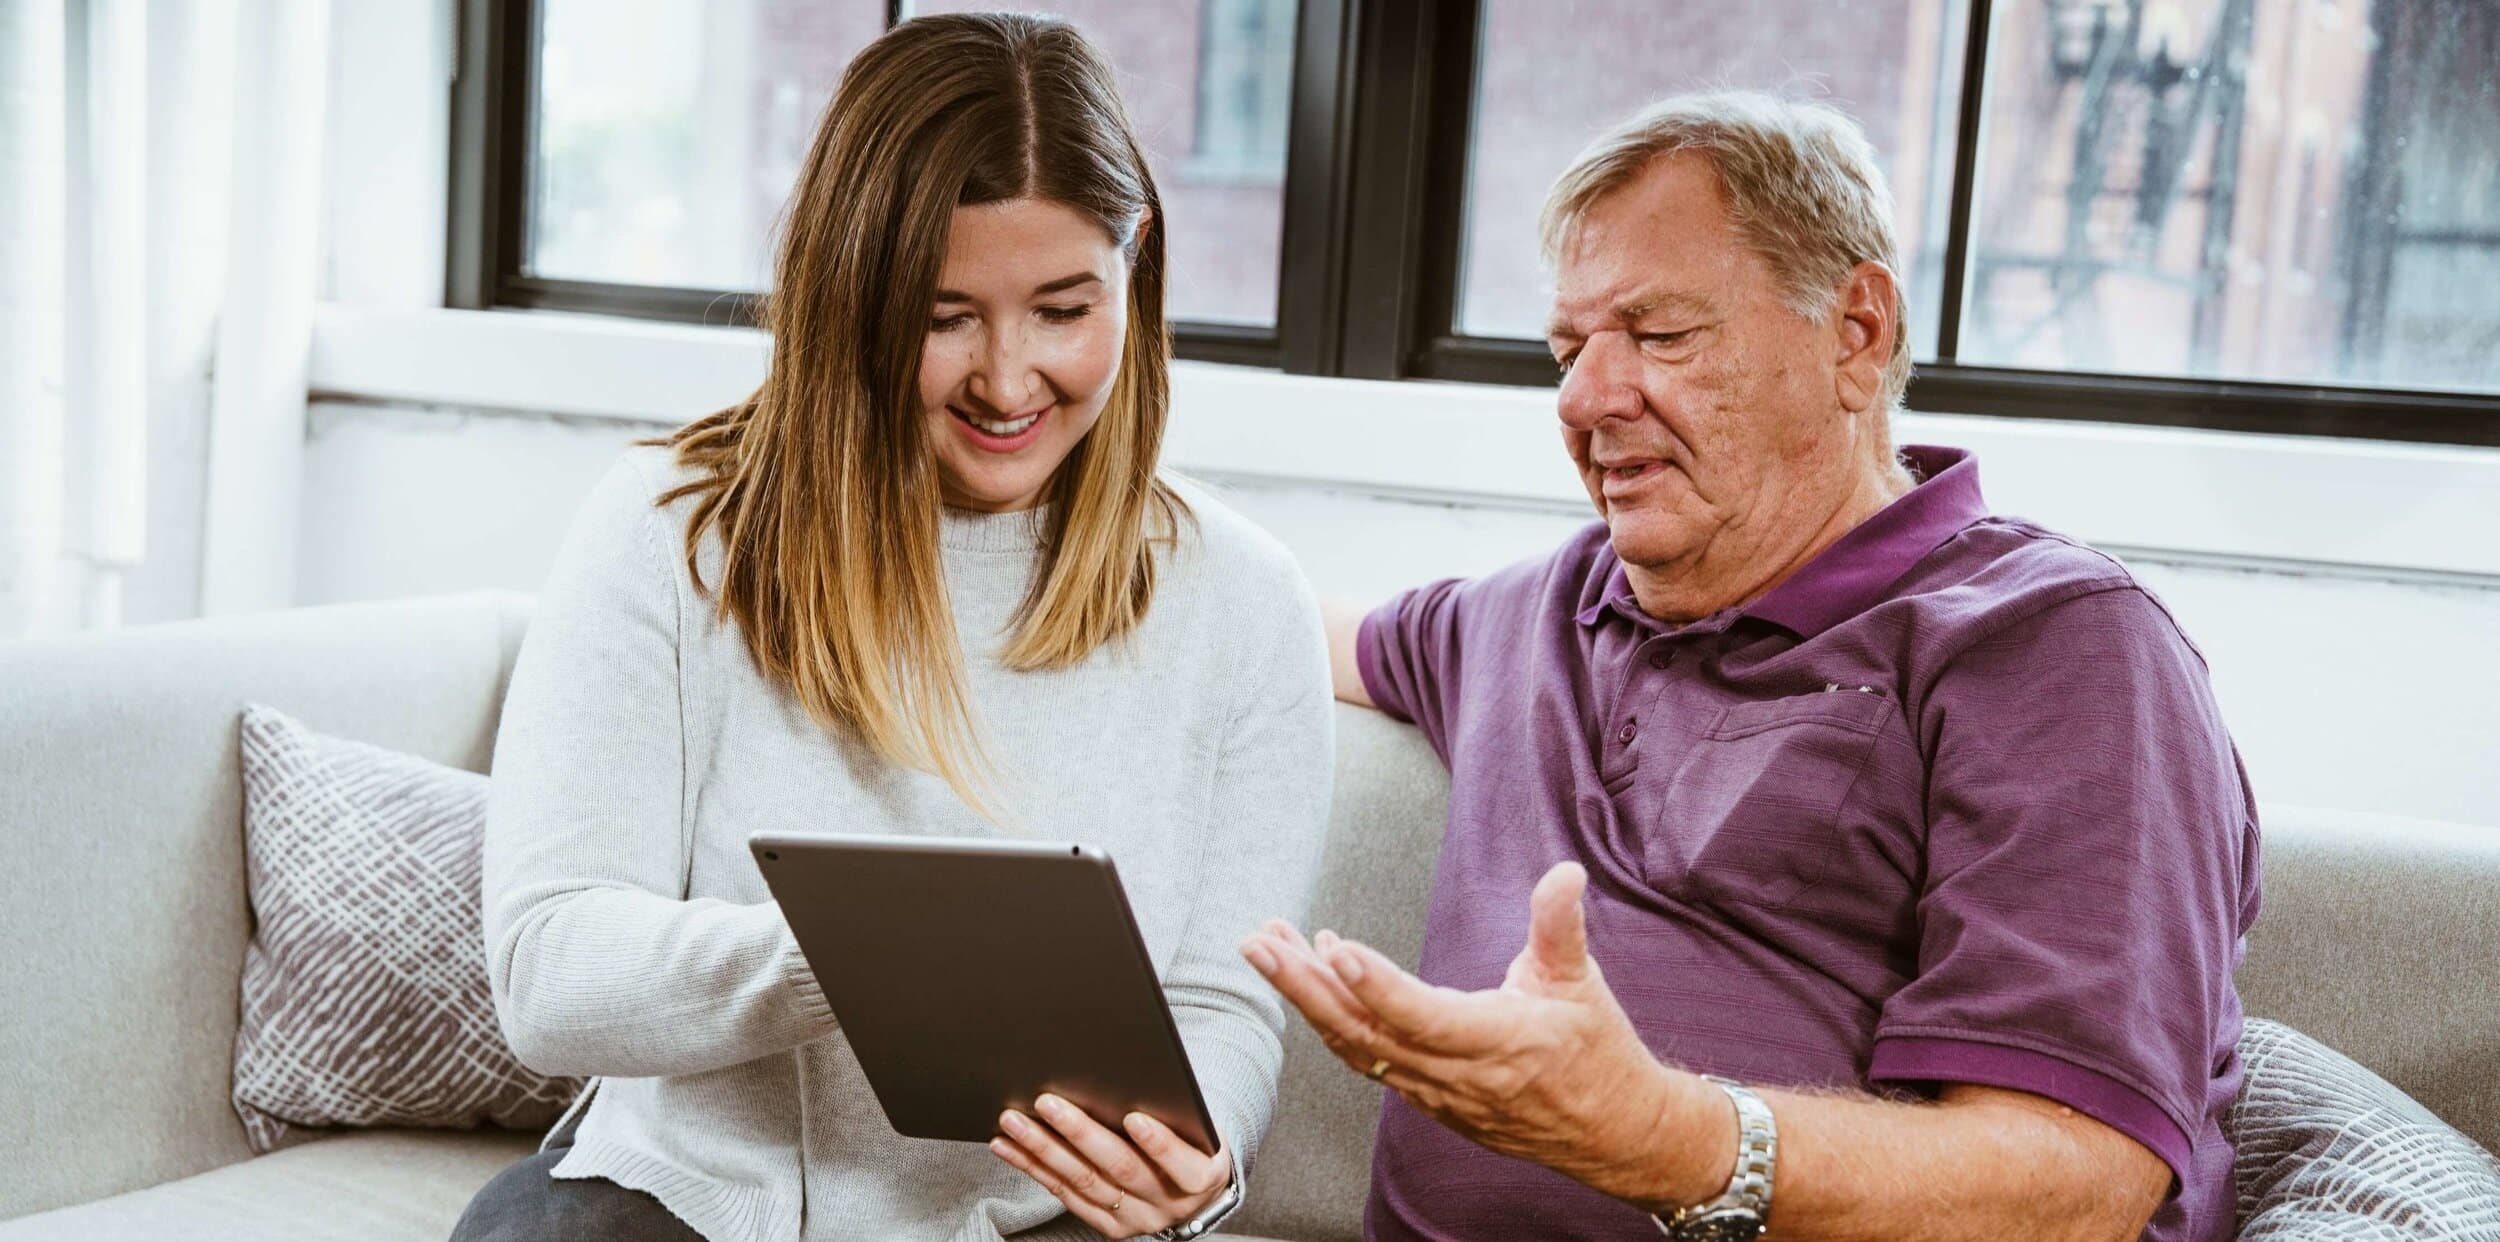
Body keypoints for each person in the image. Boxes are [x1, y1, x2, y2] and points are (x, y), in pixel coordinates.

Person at [1242, 91, 2258, 1242]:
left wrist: (1661, 1137)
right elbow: (1266, 616)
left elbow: (2076, 1184)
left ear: (1855, 334)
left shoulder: (2052, 642)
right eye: (1568, 351)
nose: (1581, 401)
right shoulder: (1528, 614)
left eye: (1661, 335)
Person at [454, 14, 1332, 1241]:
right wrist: (862, 954)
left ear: (1136, 265)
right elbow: (550, 973)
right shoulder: (671, 535)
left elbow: (1220, 1010)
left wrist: (1199, 1155)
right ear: (848, 298)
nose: (1009, 379)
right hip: (685, 1207)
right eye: (943, 315)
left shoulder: (1241, 601)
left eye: (1064, 310)